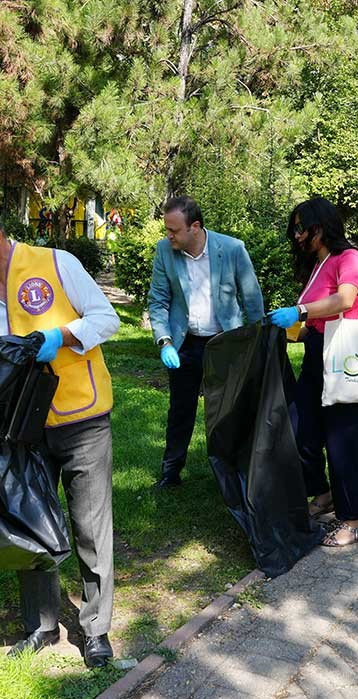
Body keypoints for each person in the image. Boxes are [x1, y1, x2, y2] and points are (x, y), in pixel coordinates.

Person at [0, 192, 120, 668]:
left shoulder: (56, 265)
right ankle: (41, 625)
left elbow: (107, 318)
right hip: (15, 435)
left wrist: (61, 336)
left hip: (81, 419)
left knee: (90, 525)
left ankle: (96, 629)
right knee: (30, 523)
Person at [267, 197, 358, 548]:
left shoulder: (349, 258)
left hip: (344, 359)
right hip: (318, 356)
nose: (296, 235)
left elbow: (344, 300)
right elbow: (316, 317)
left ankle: (353, 520)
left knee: (345, 441)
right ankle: (323, 494)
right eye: (294, 228)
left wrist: (298, 311)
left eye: (302, 227)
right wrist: (292, 327)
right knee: (300, 431)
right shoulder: (319, 263)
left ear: (321, 225)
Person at [147, 196, 265, 489]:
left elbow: (251, 298)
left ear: (195, 227)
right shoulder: (165, 251)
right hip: (184, 344)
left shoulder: (232, 248)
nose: (168, 236)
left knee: (228, 410)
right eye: (167, 230)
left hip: (226, 343)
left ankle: (232, 473)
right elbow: (158, 301)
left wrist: (258, 341)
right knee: (180, 410)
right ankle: (171, 471)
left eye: (173, 230)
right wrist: (164, 341)